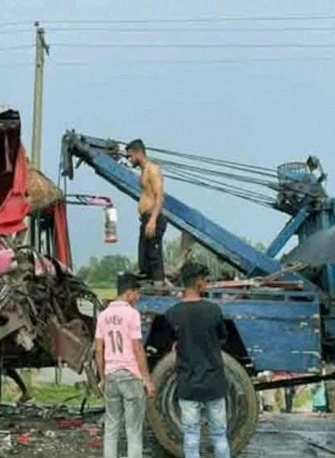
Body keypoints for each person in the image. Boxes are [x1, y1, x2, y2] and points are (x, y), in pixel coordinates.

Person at [165, 262, 230, 458]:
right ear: (199, 282)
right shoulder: (214, 310)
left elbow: (172, 344)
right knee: (219, 436)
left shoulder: (173, 314)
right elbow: (222, 339)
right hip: (214, 383)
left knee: (191, 438)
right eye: (205, 280)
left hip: (188, 383)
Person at [95, 272, 154, 458]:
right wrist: (146, 379)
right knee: (133, 430)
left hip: (111, 375)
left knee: (111, 428)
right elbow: (137, 348)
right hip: (130, 375)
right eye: (136, 294)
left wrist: (103, 377)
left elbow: (98, 349)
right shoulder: (132, 314)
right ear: (128, 293)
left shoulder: (103, 315)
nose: (137, 298)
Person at [125, 139, 167, 286]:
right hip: (146, 218)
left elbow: (159, 196)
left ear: (138, 153)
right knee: (144, 258)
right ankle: (150, 285)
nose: (129, 160)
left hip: (153, 218)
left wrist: (153, 220)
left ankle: (158, 289)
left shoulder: (152, 169)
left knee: (154, 256)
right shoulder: (143, 171)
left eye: (130, 156)